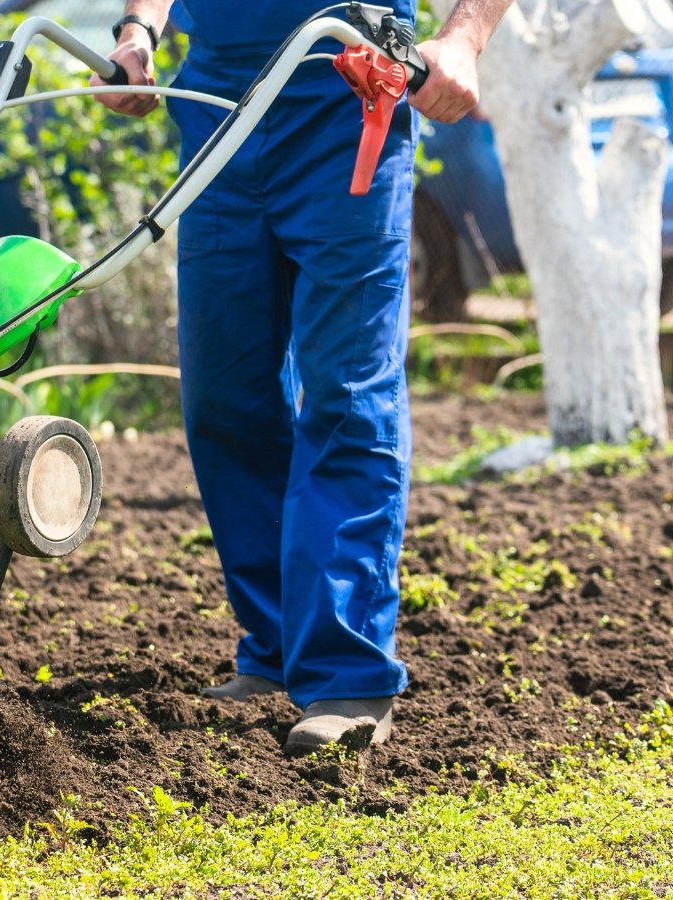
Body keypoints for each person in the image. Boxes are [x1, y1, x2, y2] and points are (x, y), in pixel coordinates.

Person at [95, 0, 514, 755]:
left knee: (346, 394)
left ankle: (346, 672)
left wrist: (466, 36)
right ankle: (280, 646)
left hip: (349, 96)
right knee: (225, 396)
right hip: (219, 105)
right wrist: (136, 34)